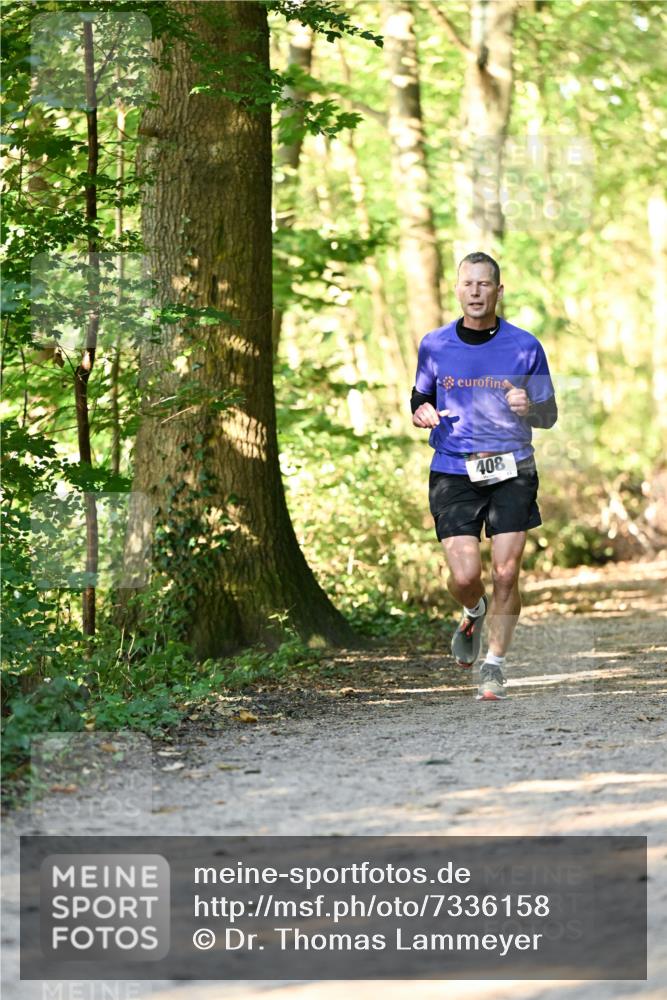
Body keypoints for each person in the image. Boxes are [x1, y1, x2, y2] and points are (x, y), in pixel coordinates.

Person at [411, 252, 558, 701]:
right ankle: (473, 609)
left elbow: (548, 414)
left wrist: (528, 408)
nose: (475, 292)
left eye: (484, 284)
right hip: (453, 470)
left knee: (507, 573)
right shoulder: (435, 345)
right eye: (468, 284)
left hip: (513, 468)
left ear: (498, 290)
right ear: (457, 290)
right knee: (464, 576)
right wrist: (421, 412)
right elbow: (419, 397)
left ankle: (494, 666)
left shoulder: (525, 346)